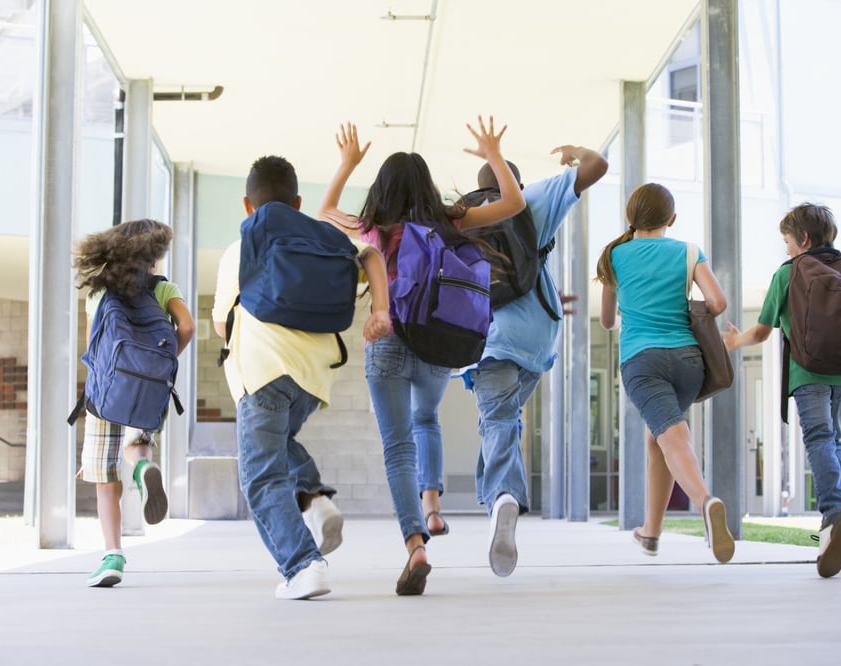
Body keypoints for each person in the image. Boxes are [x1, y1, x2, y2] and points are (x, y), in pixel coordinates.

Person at [318, 117, 525, 595]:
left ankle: (415, 544)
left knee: (398, 449)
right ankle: (434, 505)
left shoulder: (376, 228)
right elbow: (512, 203)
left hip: (388, 339)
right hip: (438, 341)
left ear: (383, 190)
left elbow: (327, 208)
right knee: (425, 418)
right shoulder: (450, 220)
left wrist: (347, 163)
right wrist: (494, 153)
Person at [213, 155, 391, 600]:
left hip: (263, 372)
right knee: (279, 446)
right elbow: (369, 254)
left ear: (247, 206)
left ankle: (303, 566)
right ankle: (314, 496)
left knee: (261, 475)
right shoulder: (324, 240)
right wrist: (382, 309)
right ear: (297, 201)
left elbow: (221, 325)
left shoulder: (241, 248)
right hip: (311, 380)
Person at [460, 146, 607, 577]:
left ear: (478, 187)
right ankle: (497, 498)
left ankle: (503, 495)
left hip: (486, 336)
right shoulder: (532, 200)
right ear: (515, 183)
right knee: (502, 419)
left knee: (498, 418)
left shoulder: (462, 215)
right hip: (538, 337)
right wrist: (575, 153)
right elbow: (597, 167)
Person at [722, 203, 841, 578]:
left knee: (819, 438)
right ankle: (835, 526)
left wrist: (735, 342)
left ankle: (836, 513)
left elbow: (761, 332)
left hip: (808, 372)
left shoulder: (789, 274)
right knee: (834, 440)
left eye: (787, 242)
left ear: (803, 239)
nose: (787, 250)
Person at [596, 183, 735, 564]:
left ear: (631, 217)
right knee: (659, 437)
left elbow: (607, 321)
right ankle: (651, 533)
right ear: (671, 220)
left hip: (643, 361)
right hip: (689, 360)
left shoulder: (614, 255)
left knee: (672, 436)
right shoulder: (689, 251)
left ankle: (706, 502)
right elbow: (717, 302)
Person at [74, 218, 196, 587]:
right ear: (153, 259)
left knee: (105, 478)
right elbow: (187, 326)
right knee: (137, 444)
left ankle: (113, 556)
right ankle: (143, 469)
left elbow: (94, 346)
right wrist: (165, 362)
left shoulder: (98, 293)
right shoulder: (163, 288)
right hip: (148, 387)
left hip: (104, 393)